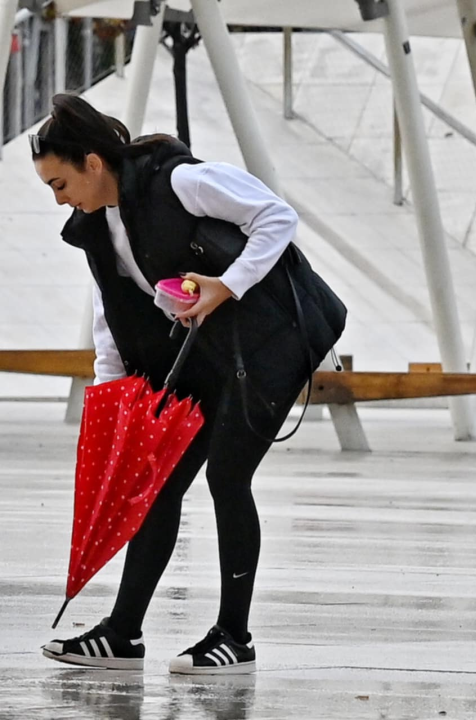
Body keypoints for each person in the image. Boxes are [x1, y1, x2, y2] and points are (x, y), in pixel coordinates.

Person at [33, 94, 346, 674]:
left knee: (227, 477)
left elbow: (276, 217)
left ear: (92, 164)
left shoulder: (179, 181)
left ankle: (235, 638)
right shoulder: (99, 226)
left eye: (60, 183)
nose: (59, 199)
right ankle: (122, 636)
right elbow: (109, 317)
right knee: (158, 484)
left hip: (271, 344)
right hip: (204, 352)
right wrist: (114, 401)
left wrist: (228, 284)